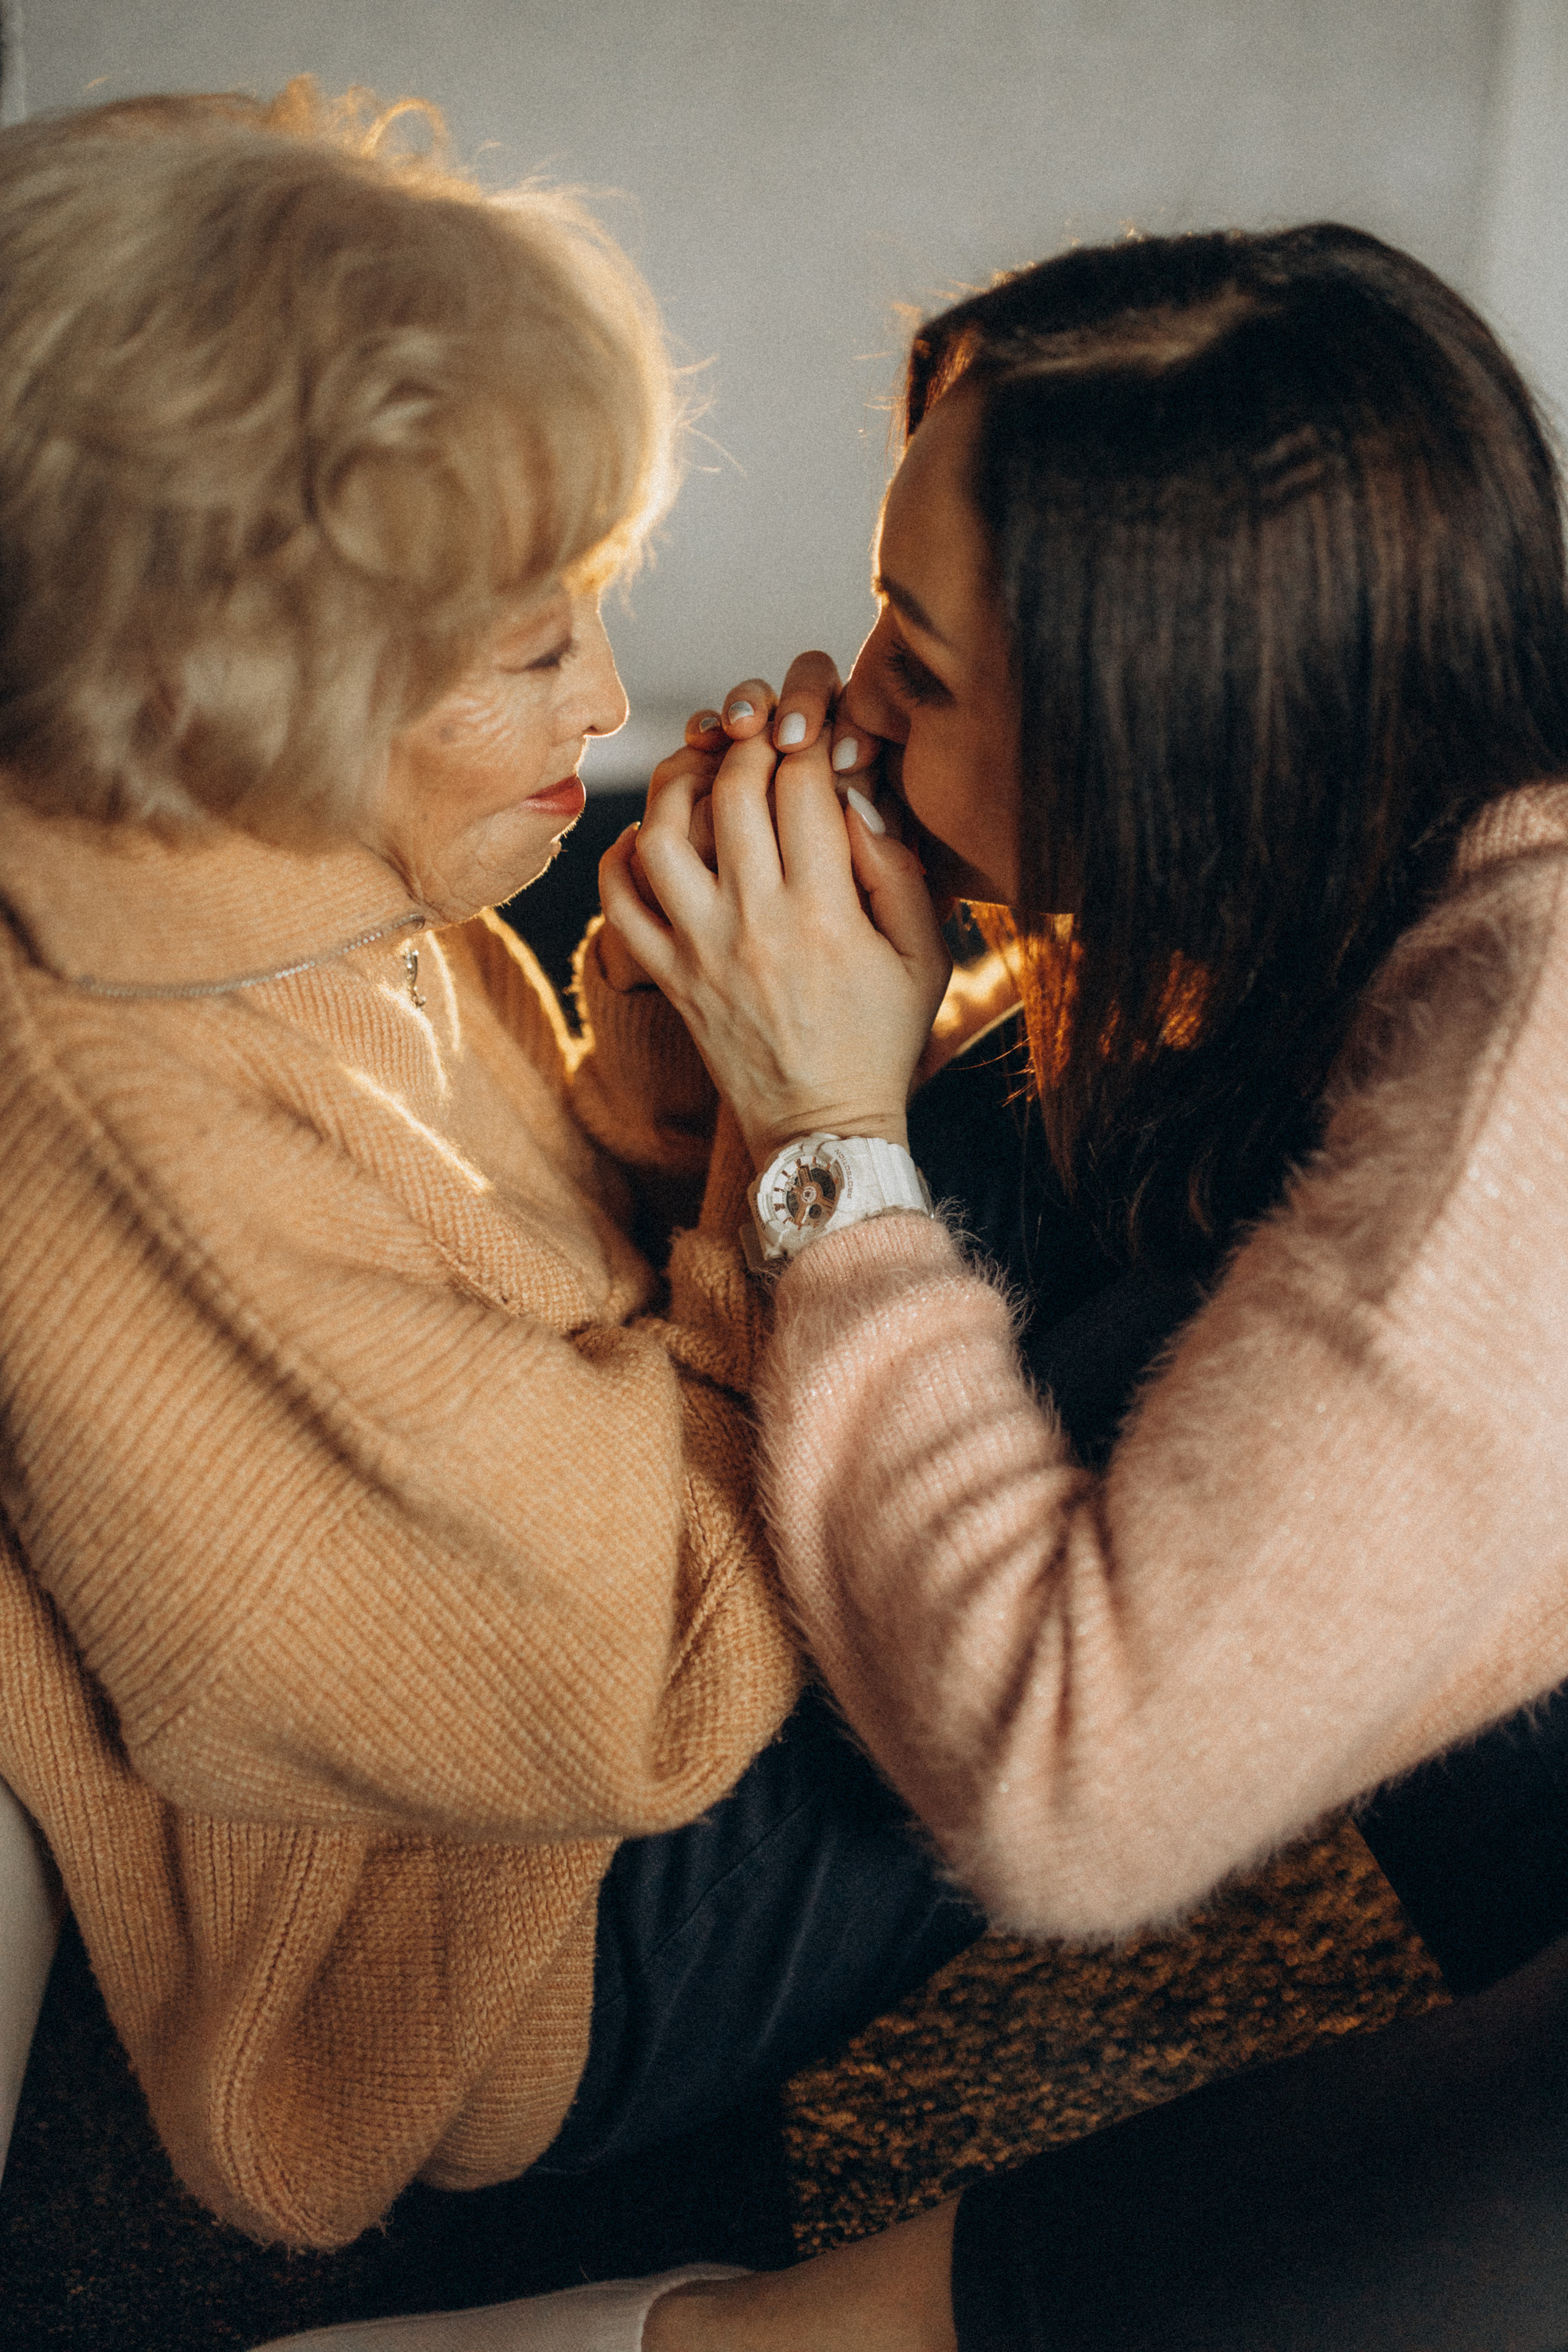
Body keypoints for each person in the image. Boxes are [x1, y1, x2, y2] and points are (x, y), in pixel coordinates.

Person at [0, 81, 993, 2266]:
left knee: (1053, 1112)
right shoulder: (127, 1135)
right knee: (1189, 1284)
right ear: (219, 682)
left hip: (614, 1604)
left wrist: (654, 1093)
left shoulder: (244, 846)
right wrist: (793, 1141)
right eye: (535, 651)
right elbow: (621, 1690)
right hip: (508, 1962)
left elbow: (514, 1255)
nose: (615, 692)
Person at [581, 224, 1568, 2349]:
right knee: (1145, 1148)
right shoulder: (1403, 827)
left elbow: (1076, 1799)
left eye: (919, 670)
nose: (846, 696)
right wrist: (745, 1090)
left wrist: (834, 1148)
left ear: (1179, 744)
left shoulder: (1524, 1081)